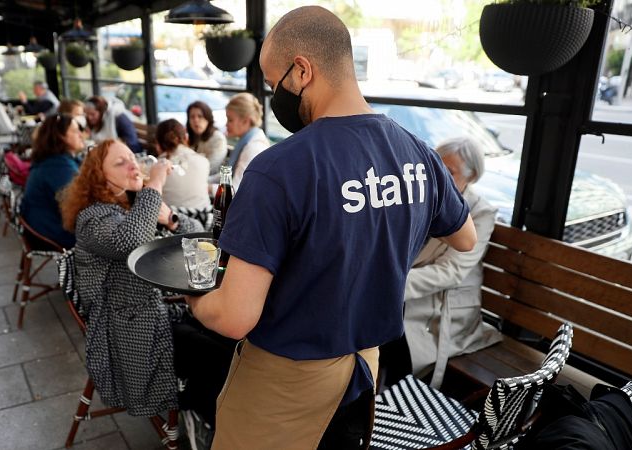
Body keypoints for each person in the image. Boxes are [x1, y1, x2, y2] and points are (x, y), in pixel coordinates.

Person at [183, 6, 477, 450]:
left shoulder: (278, 170)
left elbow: (233, 316)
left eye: (271, 81)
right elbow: (465, 237)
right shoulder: (419, 154)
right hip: (364, 371)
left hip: (286, 380)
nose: (271, 94)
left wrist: (194, 299)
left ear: (301, 70)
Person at [58, 139, 203, 417]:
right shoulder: (92, 219)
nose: (133, 165)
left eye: (132, 158)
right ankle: (212, 417)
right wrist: (155, 184)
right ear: (99, 177)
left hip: (163, 307)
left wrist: (171, 219)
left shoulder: (137, 206)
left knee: (227, 341)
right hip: (128, 329)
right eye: (120, 162)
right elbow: (132, 241)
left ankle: (211, 410)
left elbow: (199, 234)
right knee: (216, 355)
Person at [389, 137, 502, 389]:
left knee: (381, 326)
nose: (437, 176)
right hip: (409, 291)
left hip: (441, 305)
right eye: (435, 167)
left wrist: (391, 284)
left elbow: (451, 271)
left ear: (471, 177)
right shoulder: (422, 194)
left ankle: (388, 401)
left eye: (448, 172)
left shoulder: (480, 213)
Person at [20, 114, 83, 250]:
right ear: (60, 136)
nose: (81, 134)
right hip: (51, 233)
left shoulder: (53, 159)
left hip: (41, 226)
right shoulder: (58, 167)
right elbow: (78, 206)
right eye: (75, 130)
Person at [154, 118, 210, 209]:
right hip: (204, 218)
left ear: (158, 143)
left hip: (171, 219)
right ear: (186, 138)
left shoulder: (156, 167)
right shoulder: (204, 161)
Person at [217, 93, 269, 190]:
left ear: (245, 121)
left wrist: (206, 188)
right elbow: (228, 176)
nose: (226, 124)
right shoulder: (248, 140)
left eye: (230, 120)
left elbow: (236, 189)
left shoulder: (253, 148)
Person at [187, 101, 227, 176]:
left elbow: (211, 167)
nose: (196, 120)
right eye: (192, 117)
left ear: (208, 118)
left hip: (213, 182)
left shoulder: (218, 138)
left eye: (200, 116)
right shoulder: (192, 137)